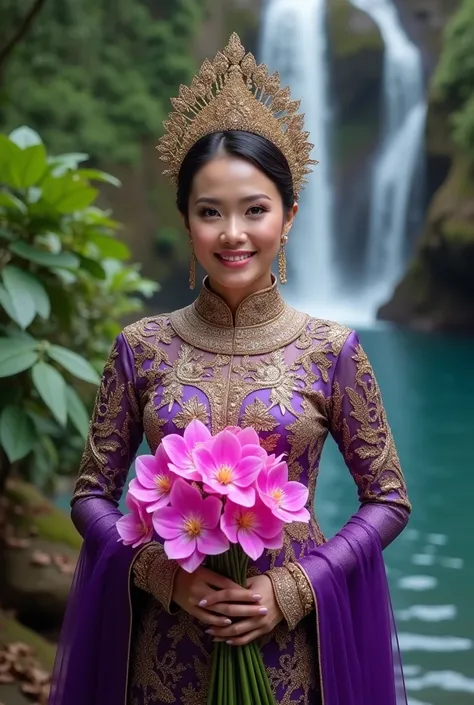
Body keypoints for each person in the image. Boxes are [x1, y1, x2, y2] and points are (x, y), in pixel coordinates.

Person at [49, 33, 411, 705]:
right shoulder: (141, 347)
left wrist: (296, 587)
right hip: (161, 650)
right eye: (209, 212)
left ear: (290, 216)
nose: (232, 233)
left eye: (255, 209)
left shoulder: (332, 350)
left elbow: (388, 498)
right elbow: (90, 495)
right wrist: (164, 573)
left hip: (292, 652)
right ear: (186, 224)